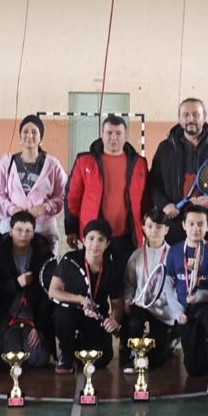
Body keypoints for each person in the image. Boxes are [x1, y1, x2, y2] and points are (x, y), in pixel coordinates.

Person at [64, 114, 148, 364]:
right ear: (102, 134)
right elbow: (72, 197)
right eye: (109, 133)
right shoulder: (85, 160)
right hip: (95, 242)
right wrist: (71, 227)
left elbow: (146, 201)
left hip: (126, 239)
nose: (113, 138)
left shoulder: (139, 163)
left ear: (126, 136)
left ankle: (126, 345)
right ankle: (87, 337)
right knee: (93, 288)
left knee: (123, 293)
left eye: (118, 133)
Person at [148, 98, 208, 245]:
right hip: (174, 225)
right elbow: (154, 183)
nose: (191, 119)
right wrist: (164, 205)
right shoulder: (165, 148)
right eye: (186, 115)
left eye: (196, 115)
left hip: (207, 226)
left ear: (204, 116)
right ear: (179, 118)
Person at [166, 205, 208, 395]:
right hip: (186, 312)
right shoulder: (174, 252)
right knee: (194, 370)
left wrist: (203, 295)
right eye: (191, 224)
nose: (196, 228)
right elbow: (168, 284)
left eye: (200, 224)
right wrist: (176, 311)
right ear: (184, 225)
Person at [48, 219, 122, 374]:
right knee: (63, 313)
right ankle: (66, 355)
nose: (95, 244)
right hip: (72, 311)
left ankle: (78, 349)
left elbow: (117, 303)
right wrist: (82, 300)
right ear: (83, 240)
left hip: (96, 315)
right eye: (91, 238)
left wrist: (114, 319)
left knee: (103, 358)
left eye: (101, 240)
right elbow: (53, 291)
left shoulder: (112, 267)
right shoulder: (70, 259)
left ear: (107, 244)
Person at [0, 211, 56, 370]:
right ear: (10, 232)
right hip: (7, 315)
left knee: (38, 360)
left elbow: (49, 296)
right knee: (8, 361)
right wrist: (16, 283)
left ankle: (32, 337)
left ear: (33, 233)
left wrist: (40, 326)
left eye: (28, 231)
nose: (23, 235)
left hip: (34, 317)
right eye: (18, 230)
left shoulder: (44, 255)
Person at [0, 114, 67, 252]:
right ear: (20, 136)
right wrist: (11, 209)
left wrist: (46, 207)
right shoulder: (8, 162)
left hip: (44, 232)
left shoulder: (53, 165)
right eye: (25, 131)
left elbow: (64, 194)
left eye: (34, 132)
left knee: (43, 270)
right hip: (12, 230)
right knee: (11, 269)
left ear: (41, 137)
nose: (29, 135)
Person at [123, 208, 183, 370]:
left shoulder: (175, 255)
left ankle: (171, 338)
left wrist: (177, 309)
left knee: (157, 361)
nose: (154, 231)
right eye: (150, 226)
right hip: (141, 303)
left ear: (166, 229)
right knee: (134, 323)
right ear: (143, 228)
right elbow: (130, 282)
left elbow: (179, 286)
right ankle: (134, 355)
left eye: (158, 227)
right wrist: (128, 299)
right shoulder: (136, 255)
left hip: (164, 308)